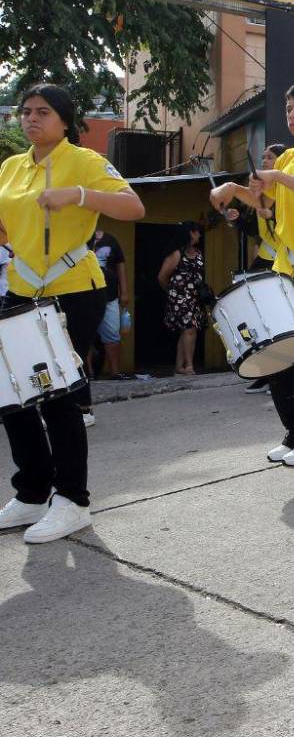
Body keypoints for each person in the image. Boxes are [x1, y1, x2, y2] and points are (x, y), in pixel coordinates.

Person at [0, 83, 145, 543]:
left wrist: (79, 195)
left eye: (43, 112)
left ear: (65, 120)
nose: (31, 119)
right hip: (21, 288)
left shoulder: (84, 161)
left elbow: (133, 206)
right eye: (25, 112)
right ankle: (31, 492)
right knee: (11, 393)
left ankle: (72, 500)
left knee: (58, 395)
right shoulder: (11, 167)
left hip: (74, 289)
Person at [211, 80, 294, 467]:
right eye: (289, 109)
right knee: (282, 354)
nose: (292, 115)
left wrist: (277, 177)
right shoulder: (287, 159)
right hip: (285, 269)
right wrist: (232, 188)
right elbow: (264, 204)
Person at [226, 143, 286, 392]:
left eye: (269, 157)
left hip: (284, 262)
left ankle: (281, 375)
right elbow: (254, 231)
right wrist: (238, 220)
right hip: (263, 261)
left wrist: (272, 216)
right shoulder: (261, 192)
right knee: (257, 319)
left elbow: (293, 224)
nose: (263, 161)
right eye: (261, 157)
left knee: (278, 320)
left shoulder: (285, 190)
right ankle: (266, 371)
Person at [157, 221, 207, 376]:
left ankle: (180, 366)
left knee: (189, 331)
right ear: (191, 233)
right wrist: (173, 292)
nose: (199, 234)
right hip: (180, 298)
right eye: (197, 231)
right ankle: (189, 366)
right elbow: (162, 277)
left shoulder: (198, 253)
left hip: (194, 297)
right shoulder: (177, 253)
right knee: (189, 330)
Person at [88, 228, 129, 380]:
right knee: (86, 333)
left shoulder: (110, 240)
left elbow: (120, 265)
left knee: (112, 333)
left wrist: (124, 291)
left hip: (109, 295)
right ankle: (88, 373)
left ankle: (115, 371)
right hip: (85, 295)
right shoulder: (78, 238)